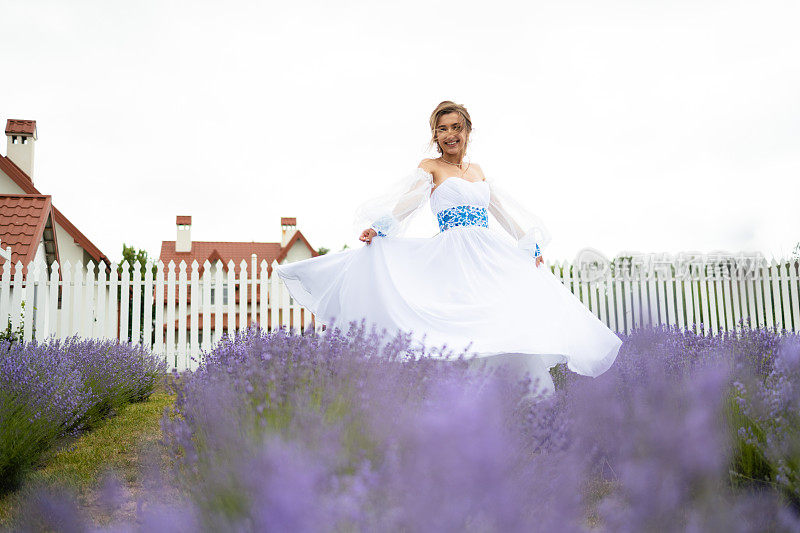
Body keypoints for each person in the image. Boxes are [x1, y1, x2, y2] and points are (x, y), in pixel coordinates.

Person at [274, 101, 621, 399]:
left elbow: (499, 210)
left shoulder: (478, 171)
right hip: (453, 252)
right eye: (442, 129)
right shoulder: (431, 168)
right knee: (459, 323)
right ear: (435, 136)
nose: (450, 134)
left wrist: (527, 245)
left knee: (500, 317)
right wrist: (381, 228)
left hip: (487, 254)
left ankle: (509, 399)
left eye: (456, 127)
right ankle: (459, 400)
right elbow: (409, 203)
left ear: (468, 131)